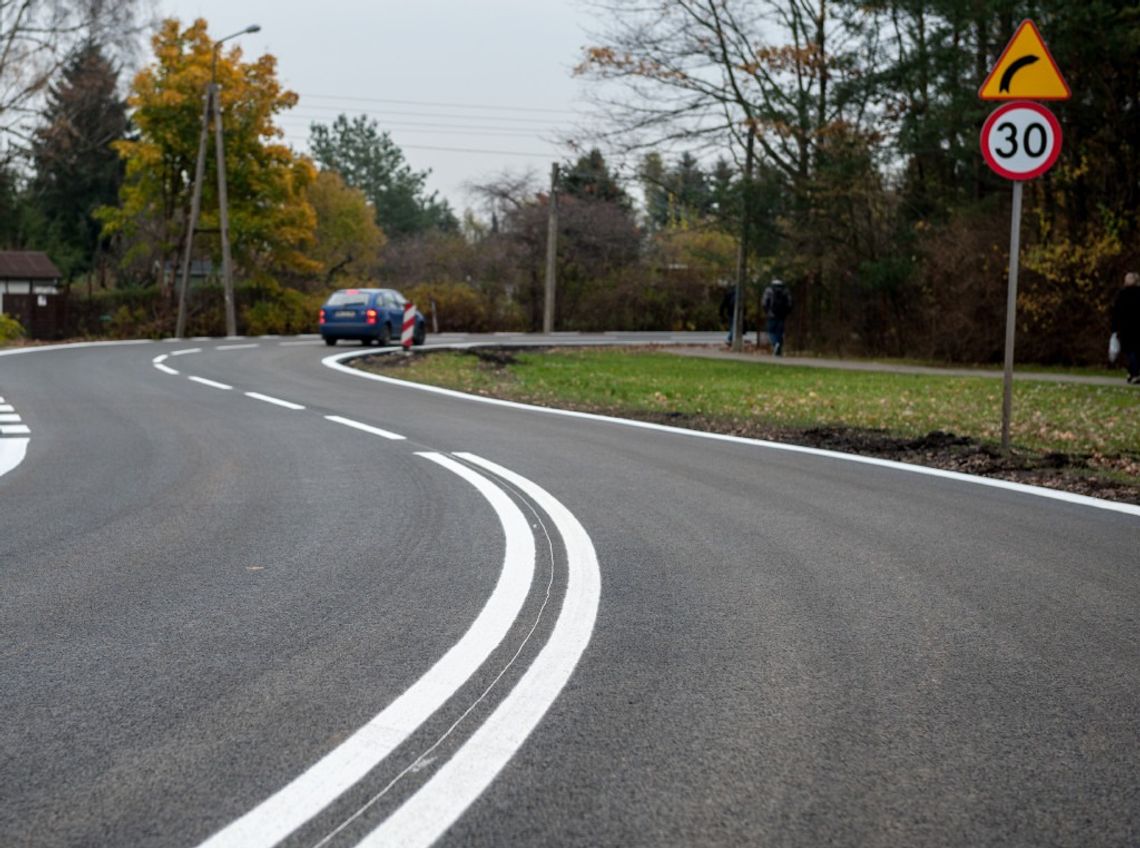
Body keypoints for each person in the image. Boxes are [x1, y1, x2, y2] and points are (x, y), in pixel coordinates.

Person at [1111, 270, 1140, 384]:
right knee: (1135, 351)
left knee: (1130, 351)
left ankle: (1134, 373)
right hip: (1134, 327)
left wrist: (1115, 328)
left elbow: (1116, 312)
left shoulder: (1122, 294)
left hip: (1126, 328)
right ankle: (1133, 372)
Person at [762, 278, 792, 356]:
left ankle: (775, 344)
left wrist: (767, 311)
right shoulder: (785, 291)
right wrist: (786, 313)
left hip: (771, 315)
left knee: (771, 331)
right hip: (782, 315)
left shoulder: (769, 290)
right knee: (779, 332)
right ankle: (778, 348)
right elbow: (789, 304)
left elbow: (764, 303)